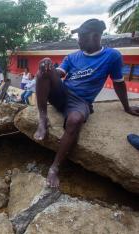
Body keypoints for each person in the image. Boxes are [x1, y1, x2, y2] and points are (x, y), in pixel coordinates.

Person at [33, 19, 139, 188]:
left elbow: (118, 82)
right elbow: (60, 72)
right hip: (62, 93)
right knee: (42, 72)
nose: (79, 40)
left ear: (96, 36)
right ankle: (43, 119)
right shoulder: (73, 56)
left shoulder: (112, 56)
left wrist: (126, 107)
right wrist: (47, 66)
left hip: (81, 101)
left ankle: (54, 168)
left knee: (75, 121)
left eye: (82, 36)